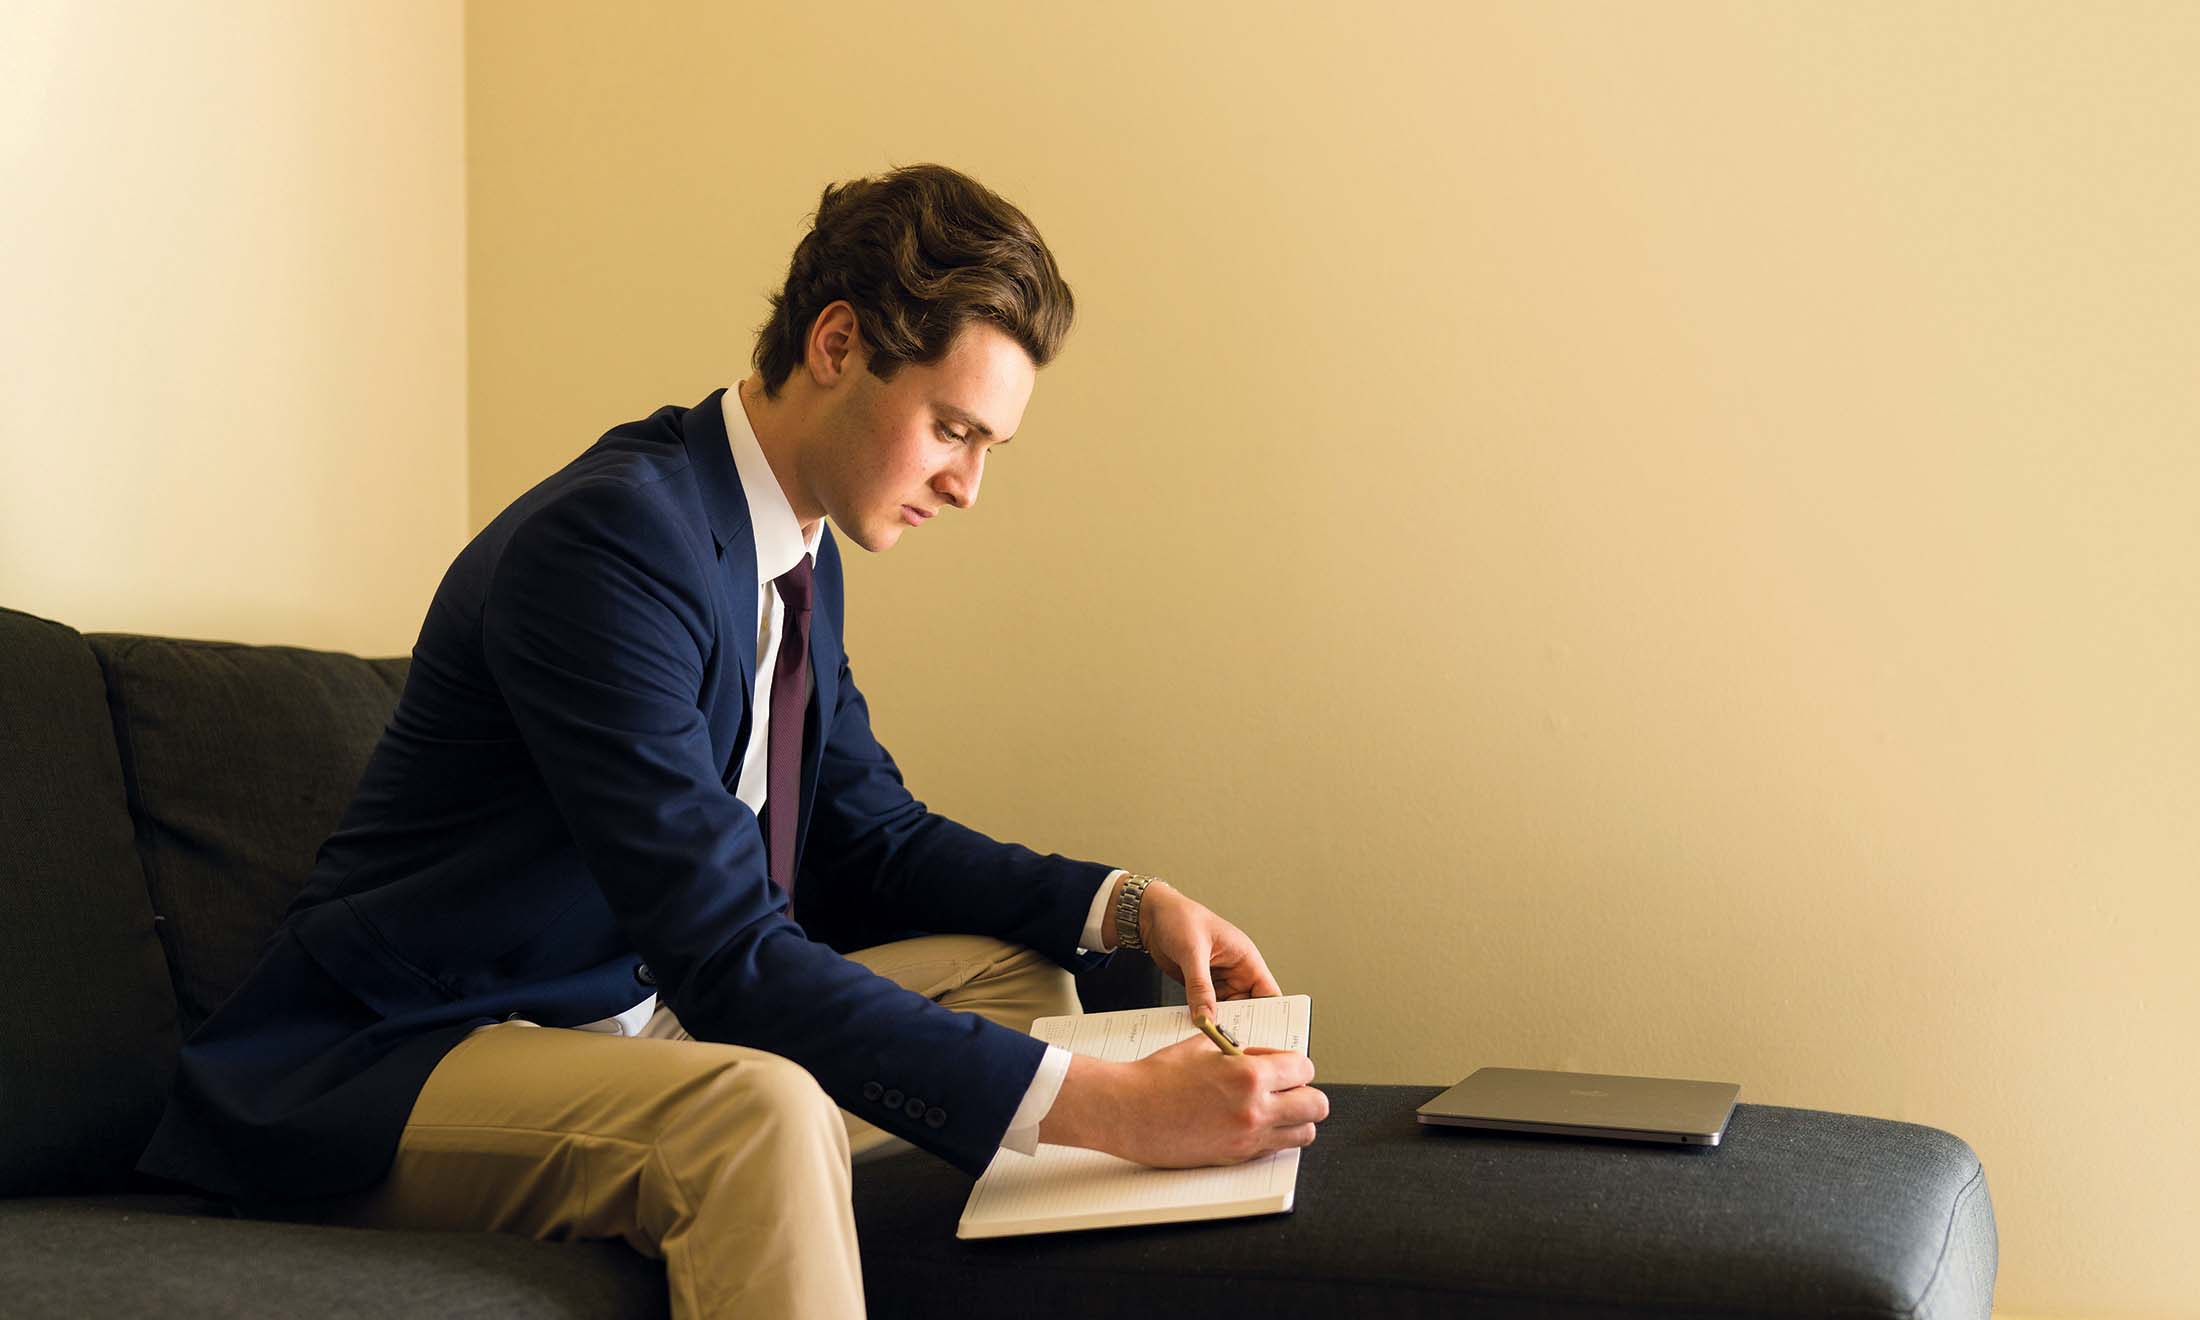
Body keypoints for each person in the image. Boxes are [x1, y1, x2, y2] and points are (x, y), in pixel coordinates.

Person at [135, 163, 1328, 1318]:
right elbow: (722, 949)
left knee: (1015, 980)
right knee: (757, 1109)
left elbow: (876, 838)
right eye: (952, 430)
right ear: (837, 345)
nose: (968, 486)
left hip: (631, 1020)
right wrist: (1116, 1110)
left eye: (988, 448)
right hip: (401, 1057)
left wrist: (1125, 903)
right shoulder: (610, 545)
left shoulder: (795, 547)